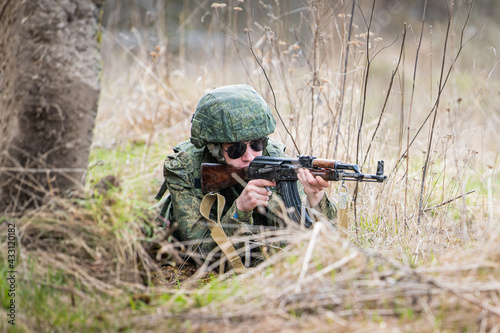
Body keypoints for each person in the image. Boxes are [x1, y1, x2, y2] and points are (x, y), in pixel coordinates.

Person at [157, 84, 336, 269]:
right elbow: (200, 255)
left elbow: (319, 241)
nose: (249, 156)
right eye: (236, 149)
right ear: (214, 148)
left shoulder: (274, 157)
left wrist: (316, 199)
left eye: (256, 144)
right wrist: (240, 210)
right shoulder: (184, 168)